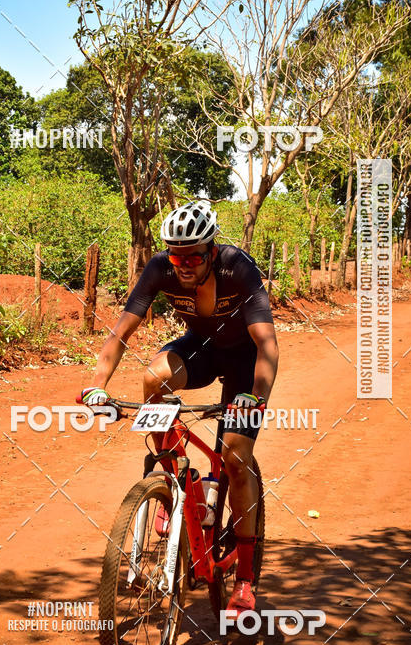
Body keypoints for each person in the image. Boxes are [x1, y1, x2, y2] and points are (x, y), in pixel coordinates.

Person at [80, 200, 279, 615]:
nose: (183, 264)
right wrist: (96, 387)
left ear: (211, 251)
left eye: (192, 255)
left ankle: (244, 581)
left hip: (245, 364)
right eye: (176, 254)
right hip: (201, 351)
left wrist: (255, 397)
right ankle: (171, 477)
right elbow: (120, 333)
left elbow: (266, 344)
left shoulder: (237, 268)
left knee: (235, 461)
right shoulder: (160, 268)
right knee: (153, 378)